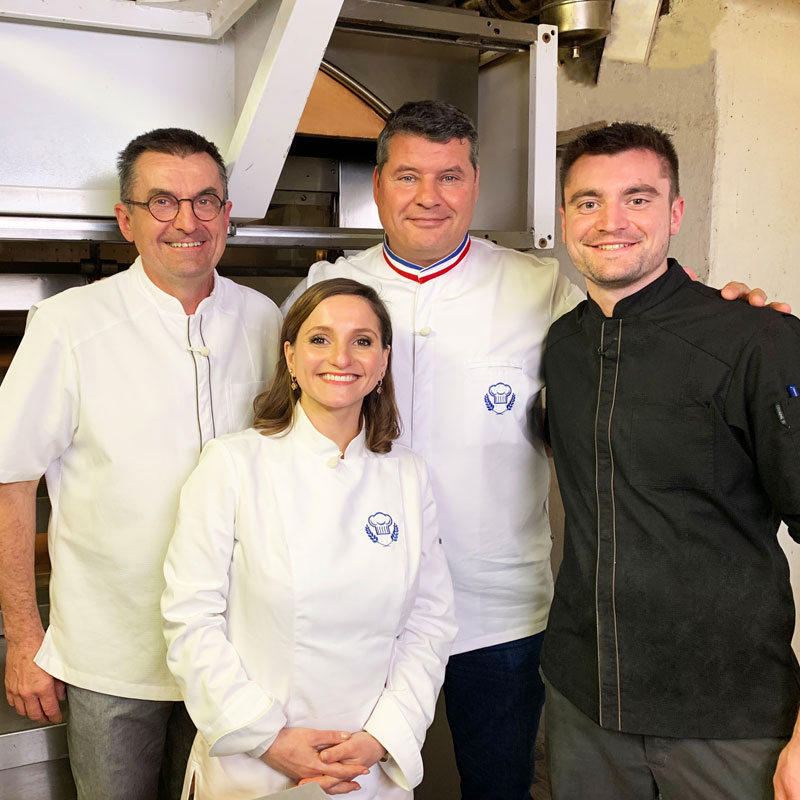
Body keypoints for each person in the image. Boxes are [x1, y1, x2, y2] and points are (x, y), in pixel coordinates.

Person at [282, 100, 781, 799]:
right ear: (379, 182)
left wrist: (738, 317)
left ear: (476, 183)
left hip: (502, 614)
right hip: (360, 607)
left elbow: (635, 334)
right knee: (351, 788)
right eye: (408, 177)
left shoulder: (538, 285)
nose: (430, 198)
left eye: (450, 177)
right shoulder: (327, 290)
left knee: (498, 785)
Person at [0, 128, 282, 799]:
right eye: (163, 202)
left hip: (236, 655)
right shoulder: (67, 324)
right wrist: (22, 637)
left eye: (205, 201)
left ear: (228, 214)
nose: (187, 221)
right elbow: (11, 481)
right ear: (125, 219)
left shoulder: (268, 320)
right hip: (112, 657)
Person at [541, 121, 800, 800]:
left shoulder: (758, 340)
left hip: (728, 720)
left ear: (675, 213)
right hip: (585, 708)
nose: (611, 221)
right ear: (564, 217)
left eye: (638, 197)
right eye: (588, 201)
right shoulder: (561, 347)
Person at [161, 277, 456, 799]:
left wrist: (381, 738)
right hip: (253, 765)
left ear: (383, 363)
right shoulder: (232, 464)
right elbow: (191, 620)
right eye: (320, 339)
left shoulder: (409, 476)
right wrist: (267, 737)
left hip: (365, 770)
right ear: (291, 357)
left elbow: (429, 623)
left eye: (362, 341)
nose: (340, 356)